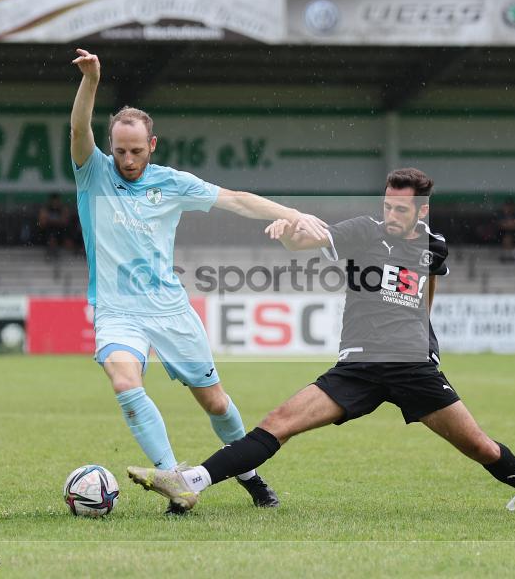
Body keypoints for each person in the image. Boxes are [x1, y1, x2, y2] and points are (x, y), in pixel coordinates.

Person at [126, 169, 515, 514]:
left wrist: (426, 337)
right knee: (278, 422)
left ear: (421, 210)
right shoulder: (363, 231)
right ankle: (190, 482)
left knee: (480, 447)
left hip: (413, 368)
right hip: (358, 367)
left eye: (400, 208)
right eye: (387, 204)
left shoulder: (434, 246)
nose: (390, 213)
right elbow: (309, 242)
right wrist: (289, 233)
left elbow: (427, 295)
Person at [69, 47, 329, 512]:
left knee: (214, 402)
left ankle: (251, 478)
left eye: (135, 150)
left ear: (153, 144)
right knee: (124, 381)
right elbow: (78, 129)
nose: (127, 159)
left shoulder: (171, 182)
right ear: (111, 147)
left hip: (169, 309)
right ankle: (176, 481)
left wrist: (293, 213)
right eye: (120, 150)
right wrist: (91, 80)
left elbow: (238, 199)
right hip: (116, 309)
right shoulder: (94, 175)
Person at [37, 193, 73, 258]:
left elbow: (65, 221)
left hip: (61, 231)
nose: (55, 203)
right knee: (51, 233)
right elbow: (42, 223)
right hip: (48, 231)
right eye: (54, 201)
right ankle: (52, 247)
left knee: (64, 233)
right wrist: (56, 221)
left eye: (57, 201)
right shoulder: (46, 209)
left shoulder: (63, 209)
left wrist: (51, 220)